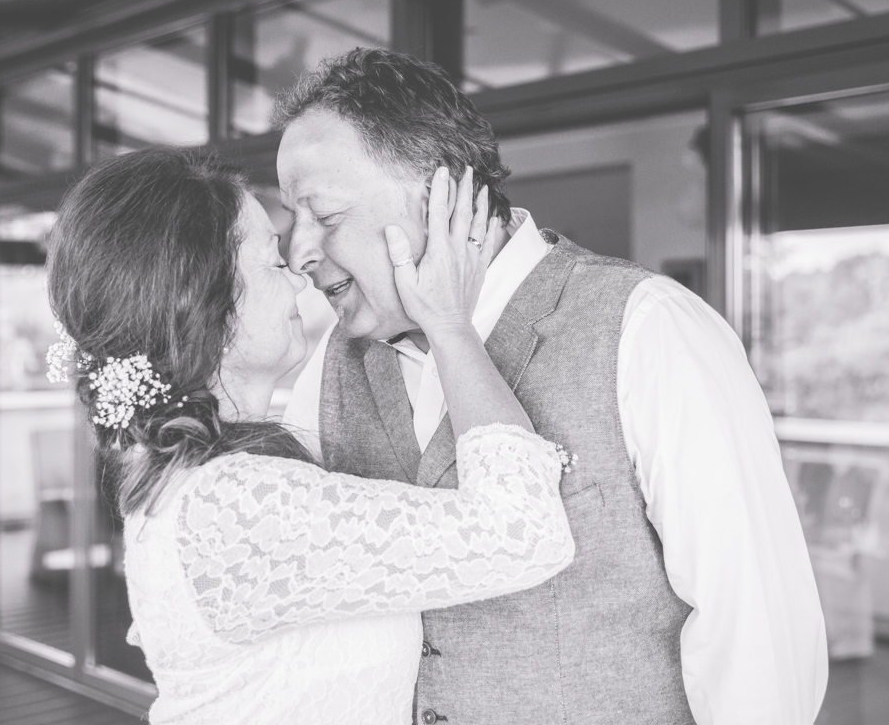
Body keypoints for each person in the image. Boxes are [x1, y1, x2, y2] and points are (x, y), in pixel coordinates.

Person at [278, 48, 829, 724]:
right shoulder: (332, 363)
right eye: (289, 219)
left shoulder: (650, 328)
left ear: (441, 188)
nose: (298, 251)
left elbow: (758, 640)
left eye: (324, 217)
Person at [45, 147, 576, 725]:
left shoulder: (204, 483)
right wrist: (448, 323)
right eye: (273, 262)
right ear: (200, 301)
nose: (300, 277)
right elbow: (522, 533)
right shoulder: (232, 503)